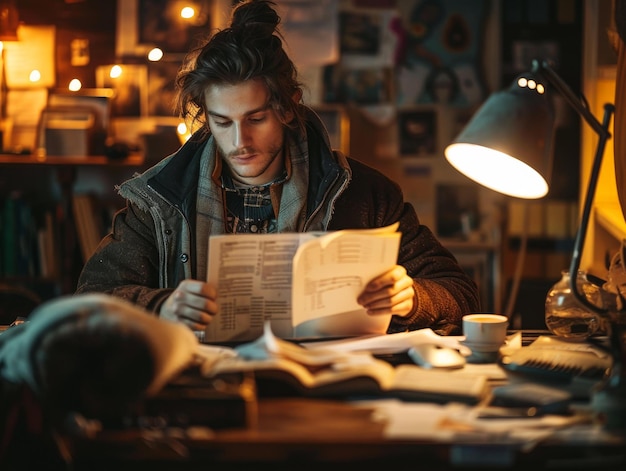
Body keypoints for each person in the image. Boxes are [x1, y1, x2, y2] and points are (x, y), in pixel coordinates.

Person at [75, 0, 480, 336]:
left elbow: (461, 294)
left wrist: (413, 299)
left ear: (288, 107)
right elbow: (91, 299)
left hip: (330, 396)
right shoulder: (161, 197)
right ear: (206, 117)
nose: (240, 142)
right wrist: (161, 305)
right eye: (223, 122)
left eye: (255, 119)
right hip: (199, 389)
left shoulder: (364, 192)